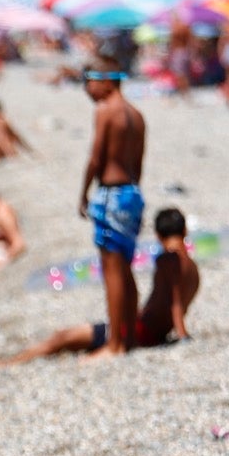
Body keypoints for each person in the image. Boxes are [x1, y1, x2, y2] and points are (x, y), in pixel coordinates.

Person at [0, 207, 198, 371]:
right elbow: (178, 301)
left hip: (140, 331)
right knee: (66, 339)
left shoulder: (168, 260)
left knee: (62, 337)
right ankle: (5, 363)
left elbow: (175, 302)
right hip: (145, 330)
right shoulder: (192, 266)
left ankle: (2, 364)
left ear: (158, 235)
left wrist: (182, 335)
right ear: (184, 231)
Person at [78, 60, 146, 359]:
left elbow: (96, 157)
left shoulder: (106, 110)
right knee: (126, 269)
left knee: (112, 271)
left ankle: (115, 345)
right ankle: (128, 337)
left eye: (89, 81)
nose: (86, 88)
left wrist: (83, 192)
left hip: (111, 192)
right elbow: (139, 164)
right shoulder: (137, 115)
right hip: (132, 193)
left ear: (107, 81)